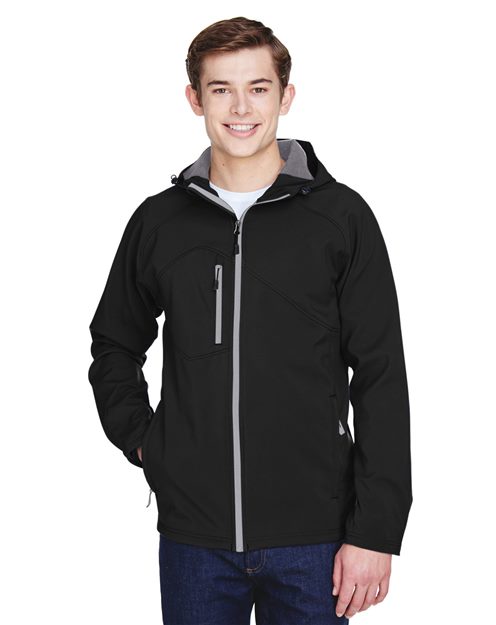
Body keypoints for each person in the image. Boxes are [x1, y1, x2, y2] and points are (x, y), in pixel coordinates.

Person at [88, 16, 412, 625]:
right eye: (222, 89)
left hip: (316, 537)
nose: (241, 108)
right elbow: (113, 343)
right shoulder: (160, 222)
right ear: (195, 99)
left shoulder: (341, 218)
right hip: (195, 541)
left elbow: (381, 377)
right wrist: (148, 443)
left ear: (286, 97)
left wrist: (377, 530)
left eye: (258, 88)